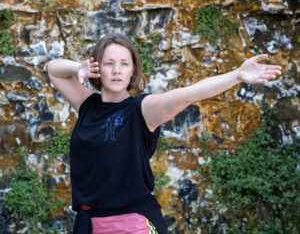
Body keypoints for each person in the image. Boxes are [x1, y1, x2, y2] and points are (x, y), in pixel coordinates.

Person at [47, 33, 281, 234]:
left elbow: (190, 93)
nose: (117, 71)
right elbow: (54, 70)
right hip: (89, 224)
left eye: (124, 64)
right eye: (108, 64)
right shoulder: (87, 105)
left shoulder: (143, 109)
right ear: (96, 68)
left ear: (133, 71)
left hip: (132, 223)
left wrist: (236, 75)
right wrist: (78, 67)